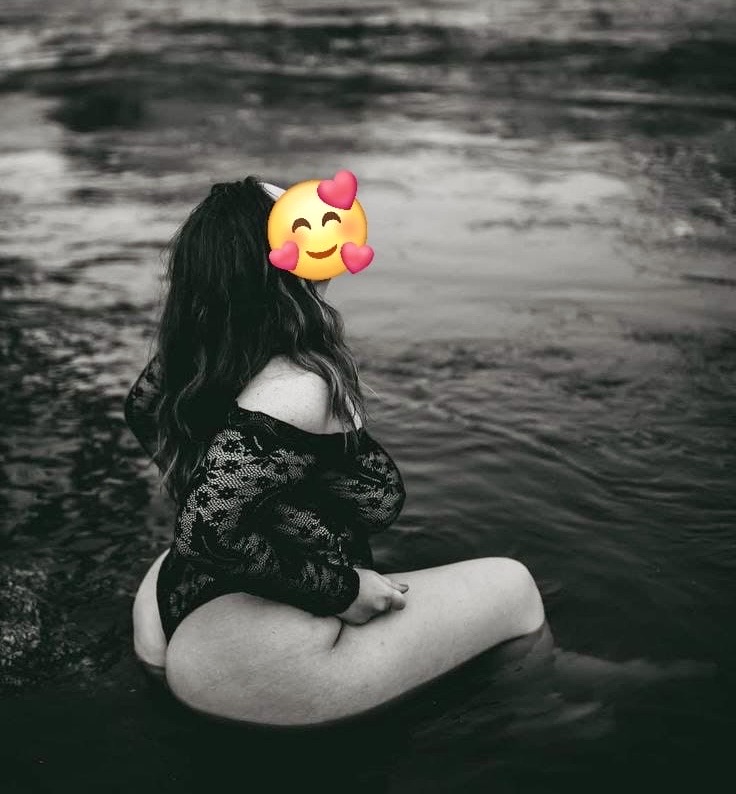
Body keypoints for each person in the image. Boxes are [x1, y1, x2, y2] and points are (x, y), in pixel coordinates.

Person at [126, 176, 545, 728]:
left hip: (169, 605)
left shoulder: (197, 353)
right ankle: (561, 710)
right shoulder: (297, 386)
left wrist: (258, 511)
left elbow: (143, 414)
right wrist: (341, 592)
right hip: (251, 653)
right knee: (515, 587)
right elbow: (205, 532)